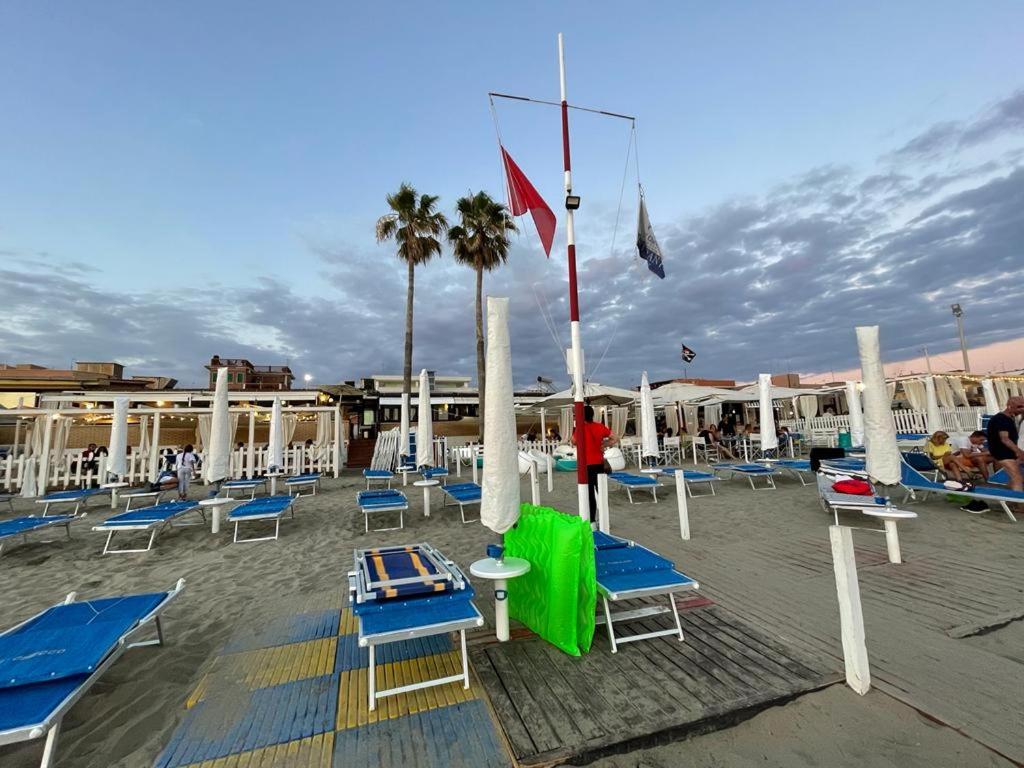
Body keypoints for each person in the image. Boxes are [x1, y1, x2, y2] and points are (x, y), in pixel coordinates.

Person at [571, 405, 618, 525]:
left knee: (590, 494)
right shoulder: (600, 426)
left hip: (586, 465)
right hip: (599, 464)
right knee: (601, 492)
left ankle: (592, 521)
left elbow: (574, 441)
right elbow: (615, 438)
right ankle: (604, 519)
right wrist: (604, 444)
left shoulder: (580, 428)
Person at [986, 397, 1024, 493]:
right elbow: (1005, 439)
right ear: (1009, 406)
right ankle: (1020, 506)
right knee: (1017, 478)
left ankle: (1010, 502)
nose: (1022, 409)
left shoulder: (1009, 418)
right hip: (1003, 454)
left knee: (1014, 478)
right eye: (1019, 407)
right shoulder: (1002, 419)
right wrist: (1019, 452)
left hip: (1006, 453)